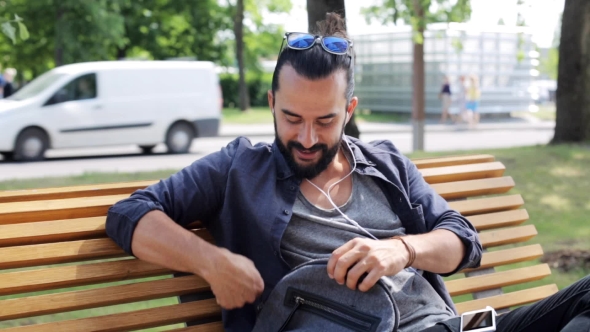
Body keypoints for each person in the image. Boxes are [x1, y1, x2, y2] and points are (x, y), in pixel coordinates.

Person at [106, 13, 590, 332]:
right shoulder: (239, 167)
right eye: (292, 119)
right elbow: (130, 214)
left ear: (350, 109)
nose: (308, 138)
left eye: (326, 121)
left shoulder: (384, 162)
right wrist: (211, 263)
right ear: (273, 103)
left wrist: (401, 249)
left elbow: (463, 241)